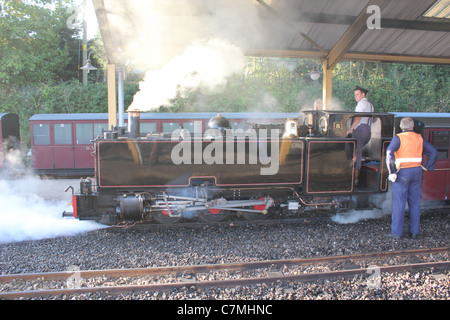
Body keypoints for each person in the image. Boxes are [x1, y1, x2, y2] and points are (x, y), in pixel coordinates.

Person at [385, 117, 438, 239]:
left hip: (402, 173)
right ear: (412, 126)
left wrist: (392, 171)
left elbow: (389, 153)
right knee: (414, 203)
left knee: (399, 203)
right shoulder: (419, 138)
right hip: (417, 172)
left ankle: (396, 233)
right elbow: (433, 152)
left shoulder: (398, 138)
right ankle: (414, 232)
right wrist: (428, 167)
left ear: (401, 126)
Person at [346, 86, 374, 185]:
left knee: (356, 155)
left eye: (357, 94)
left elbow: (357, 118)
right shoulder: (370, 105)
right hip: (367, 130)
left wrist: (350, 129)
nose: (355, 97)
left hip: (360, 130)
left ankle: (355, 179)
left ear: (363, 94)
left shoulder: (361, 104)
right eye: (355, 95)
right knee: (357, 153)